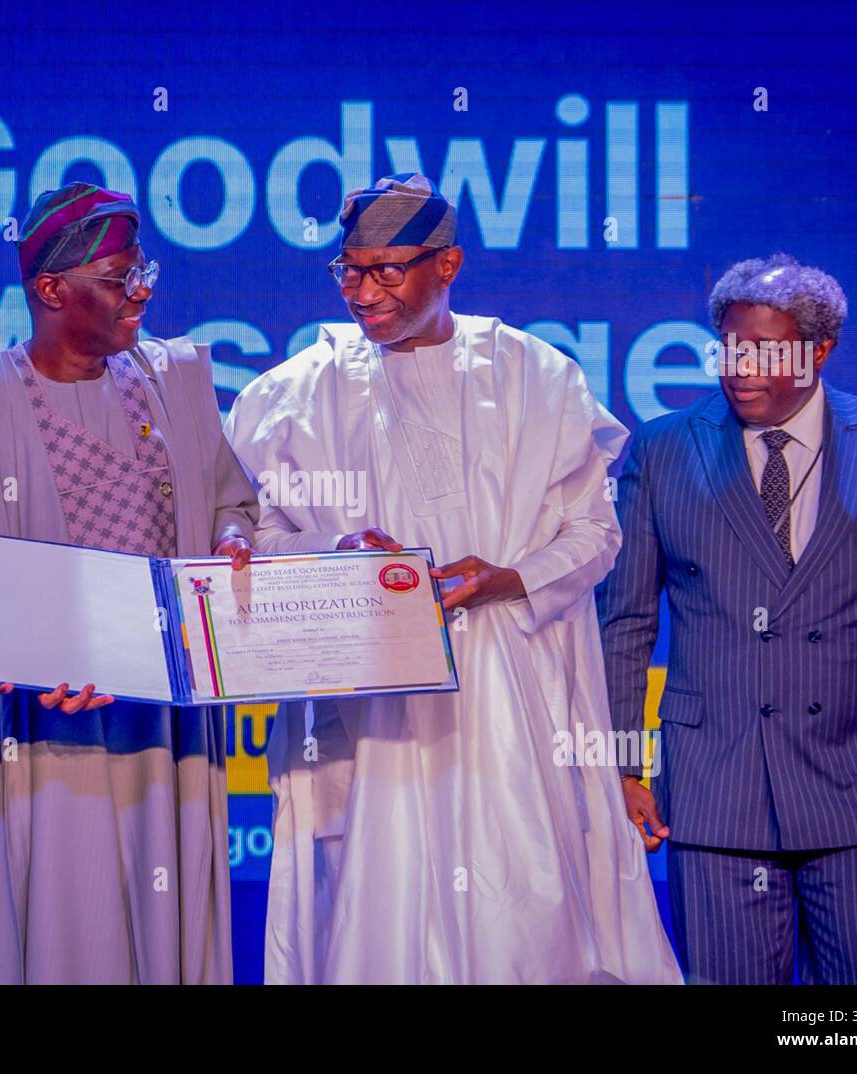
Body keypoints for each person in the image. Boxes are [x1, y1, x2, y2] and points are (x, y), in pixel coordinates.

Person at [224, 173, 681, 984]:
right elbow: (257, 540)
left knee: (524, 909)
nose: (364, 292)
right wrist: (340, 552)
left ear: (449, 265)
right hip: (372, 702)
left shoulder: (537, 378)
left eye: (387, 271)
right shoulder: (295, 395)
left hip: (512, 695)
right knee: (374, 903)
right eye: (349, 270)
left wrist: (508, 577)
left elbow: (596, 533)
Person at [0, 182, 258, 984]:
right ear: (52, 291)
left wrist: (233, 538)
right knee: (60, 925)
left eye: (143, 269)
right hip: (36, 730)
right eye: (121, 279)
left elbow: (233, 499)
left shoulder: (176, 382)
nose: (144, 291)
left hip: (163, 730)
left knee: (164, 922)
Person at [598, 253, 857, 984]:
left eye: (767, 350)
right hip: (714, 788)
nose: (741, 368)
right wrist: (619, 767)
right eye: (730, 348)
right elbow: (625, 624)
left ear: (819, 351)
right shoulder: (665, 449)